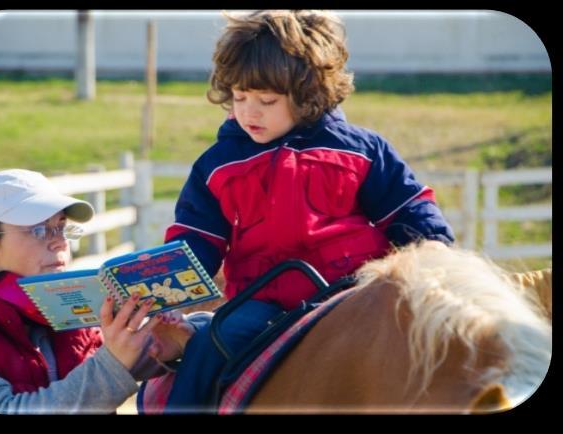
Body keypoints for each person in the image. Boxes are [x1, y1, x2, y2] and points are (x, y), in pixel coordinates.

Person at [160, 10, 455, 412]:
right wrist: (164, 289)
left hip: (354, 292)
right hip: (262, 302)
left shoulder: (360, 149)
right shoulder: (218, 165)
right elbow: (196, 240)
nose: (249, 113)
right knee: (213, 344)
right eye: (239, 98)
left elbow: (409, 208)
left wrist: (432, 249)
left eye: (266, 100)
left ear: (309, 93)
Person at [0, 168, 208, 414]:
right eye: (38, 230)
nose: (59, 242)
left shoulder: (72, 305)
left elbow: (119, 362)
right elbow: (3, 408)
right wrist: (113, 362)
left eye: (61, 227)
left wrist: (172, 339)